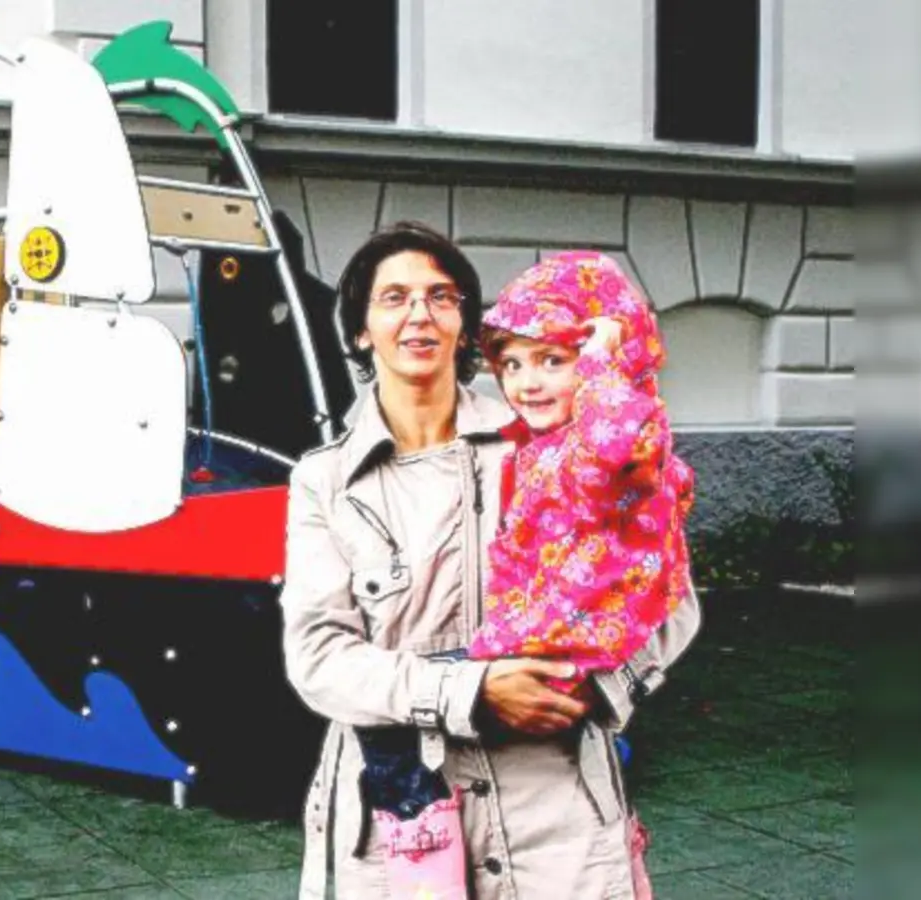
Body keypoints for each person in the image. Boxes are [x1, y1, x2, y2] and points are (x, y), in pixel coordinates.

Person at [279, 223, 701, 899]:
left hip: (557, 816)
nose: (420, 313)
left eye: (441, 296)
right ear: (360, 331)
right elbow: (319, 659)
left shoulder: (557, 440)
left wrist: (596, 685)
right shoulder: (325, 481)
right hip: (402, 831)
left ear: (467, 328)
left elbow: (669, 600)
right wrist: (470, 691)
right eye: (394, 297)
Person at [471, 252, 695, 693]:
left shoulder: (619, 435)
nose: (527, 383)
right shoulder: (545, 444)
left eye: (552, 360)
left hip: (570, 660)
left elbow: (608, 452)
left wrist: (598, 360)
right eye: (512, 364)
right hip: (532, 650)